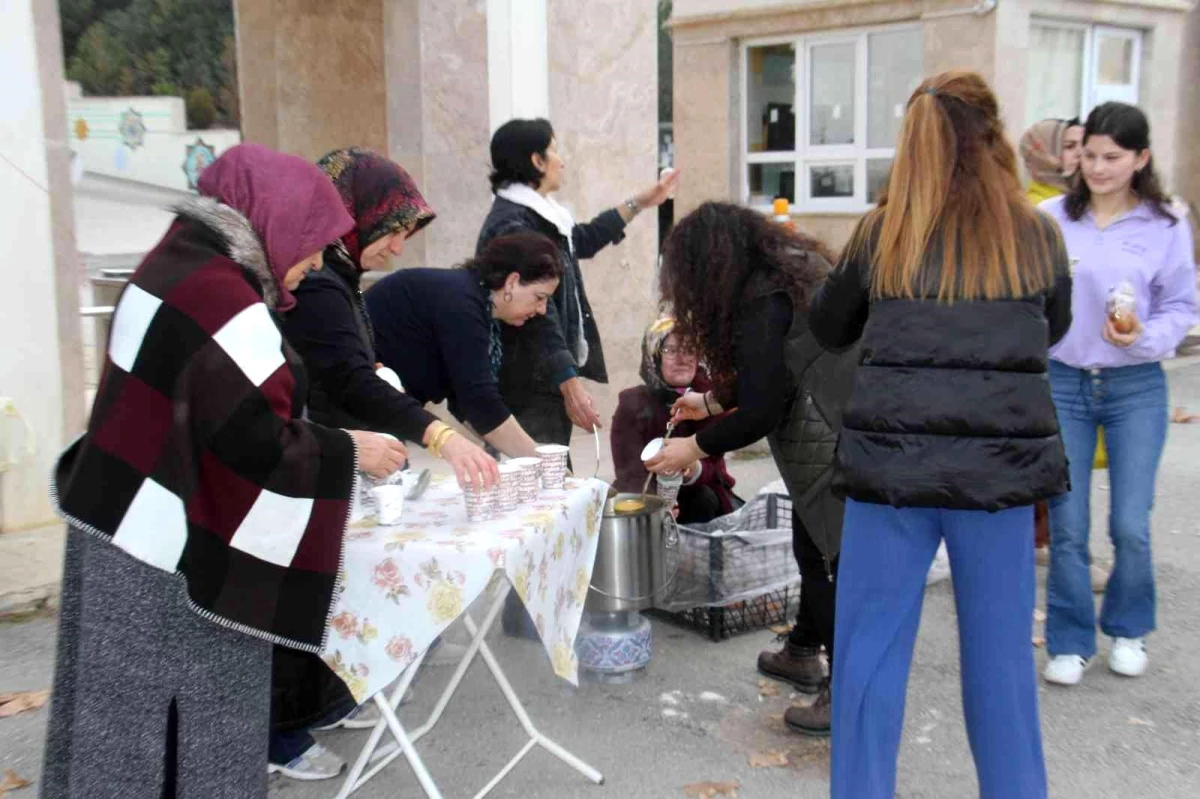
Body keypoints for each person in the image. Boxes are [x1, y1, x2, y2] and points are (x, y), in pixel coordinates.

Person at [41, 143, 407, 799]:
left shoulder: (176, 260)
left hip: (121, 521)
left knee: (118, 731)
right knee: (183, 735)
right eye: (314, 242)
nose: (317, 261)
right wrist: (352, 450)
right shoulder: (222, 297)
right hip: (169, 559)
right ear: (277, 219)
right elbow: (253, 441)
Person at [808, 71, 1072, 799]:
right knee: (1002, 667)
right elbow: (1053, 329)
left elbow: (828, 329)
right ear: (991, 137)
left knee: (868, 659)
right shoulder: (1036, 233)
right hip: (999, 479)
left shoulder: (882, 230)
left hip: (889, 475)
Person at [269, 148, 501, 781]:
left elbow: (349, 367)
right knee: (301, 591)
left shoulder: (334, 277)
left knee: (330, 586)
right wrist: (440, 436)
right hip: (304, 456)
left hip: (327, 450)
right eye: (394, 231)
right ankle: (281, 732)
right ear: (353, 218)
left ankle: (321, 704)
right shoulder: (317, 284)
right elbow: (342, 376)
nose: (399, 248)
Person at [645, 202, 857, 736]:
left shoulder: (762, 299)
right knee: (815, 543)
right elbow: (773, 370)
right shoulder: (785, 273)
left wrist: (693, 448)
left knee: (827, 556)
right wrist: (710, 403)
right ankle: (803, 650)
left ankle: (846, 692)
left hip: (829, 429)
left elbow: (765, 408)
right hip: (840, 418)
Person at [1040, 102, 1197, 687]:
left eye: (1113, 157)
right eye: (1089, 155)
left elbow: (1183, 305)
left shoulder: (1167, 221)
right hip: (1063, 381)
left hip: (1135, 386)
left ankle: (1128, 630)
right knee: (1069, 522)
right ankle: (1070, 640)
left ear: (1141, 159)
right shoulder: (1049, 217)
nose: (1098, 168)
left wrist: (1142, 339)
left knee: (1131, 523)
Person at [475, 117, 680, 445]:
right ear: (536, 161)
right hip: (527, 380)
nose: (562, 161)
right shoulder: (513, 224)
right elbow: (539, 314)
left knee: (548, 472)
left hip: (543, 379)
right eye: (554, 151)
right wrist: (569, 382)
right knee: (539, 476)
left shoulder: (541, 216)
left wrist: (643, 200)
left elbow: (582, 239)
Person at [367, 231, 566, 459]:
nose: (541, 310)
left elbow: (464, 400)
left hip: (383, 414)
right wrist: (543, 461)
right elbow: (478, 401)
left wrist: (518, 452)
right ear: (511, 282)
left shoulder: (474, 299)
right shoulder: (463, 304)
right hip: (356, 413)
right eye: (539, 297)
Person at [1022, 118, 1111, 586]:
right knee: (1057, 461)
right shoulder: (1036, 212)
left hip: (1086, 350)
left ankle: (1047, 541)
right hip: (1049, 356)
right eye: (1071, 146)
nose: (1079, 156)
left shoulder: (1087, 208)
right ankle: (1054, 547)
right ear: (1044, 153)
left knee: (1062, 461)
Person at [610, 317, 740, 524]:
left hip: (700, 498)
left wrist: (693, 468)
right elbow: (630, 473)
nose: (683, 359)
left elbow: (716, 471)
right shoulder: (632, 405)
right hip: (647, 497)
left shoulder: (710, 400)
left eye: (690, 350)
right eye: (671, 350)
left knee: (703, 499)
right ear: (654, 357)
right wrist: (658, 504)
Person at [1021, 117, 1084, 204]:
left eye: (1084, 145)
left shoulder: (1083, 200)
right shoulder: (1036, 207)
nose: (1080, 153)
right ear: (1041, 157)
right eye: (1069, 146)